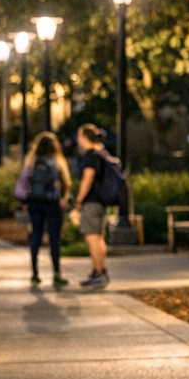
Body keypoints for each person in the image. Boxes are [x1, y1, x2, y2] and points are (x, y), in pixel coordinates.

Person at [14, 131, 70, 287]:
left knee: (36, 236)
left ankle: (35, 273)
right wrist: (64, 199)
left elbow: (24, 181)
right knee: (54, 238)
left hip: (35, 203)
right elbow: (66, 183)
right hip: (53, 203)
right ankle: (57, 273)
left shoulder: (31, 161)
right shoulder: (58, 161)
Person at [72, 124, 113, 290]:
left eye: (79, 136)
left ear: (84, 137)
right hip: (102, 200)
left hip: (92, 201)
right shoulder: (102, 152)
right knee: (98, 236)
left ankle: (98, 273)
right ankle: (101, 271)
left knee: (91, 237)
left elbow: (88, 177)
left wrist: (79, 200)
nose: (78, 140)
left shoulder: (90, 155)